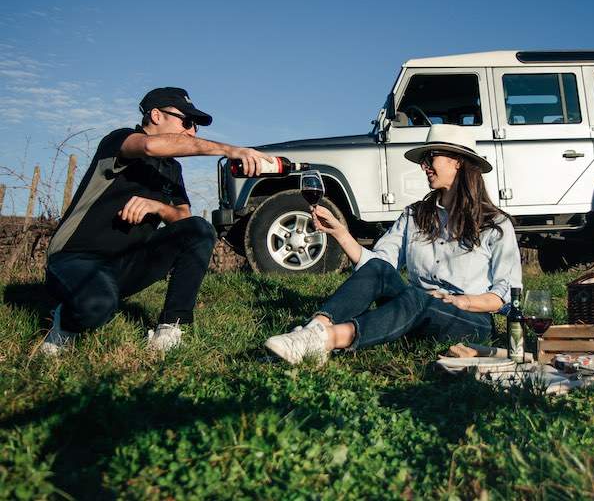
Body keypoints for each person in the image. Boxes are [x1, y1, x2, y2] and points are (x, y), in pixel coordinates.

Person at [40, 87, 274, 355]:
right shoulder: (119, 140)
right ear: (155, 115)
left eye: (196, 125)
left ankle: (171, 327)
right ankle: (65, 319)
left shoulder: (172, 169)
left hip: (126, 264)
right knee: (97, 308)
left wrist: (158, 208)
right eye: (186, 122)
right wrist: (229, 150)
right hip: (75, 258)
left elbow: (184, 219)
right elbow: (150, 146)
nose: (192, 131)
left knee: (200, 228)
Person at [265, 124, 522, 365]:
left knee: (417, 297)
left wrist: (461, 301)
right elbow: (378, 265)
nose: (424, 166)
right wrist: (341, 233)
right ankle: (313, 330)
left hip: (469, 319)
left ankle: (329, 339)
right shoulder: (415, 215)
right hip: (413, 305)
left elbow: (507, 295)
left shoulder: (495, 224)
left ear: (457, 162)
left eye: (430, 157)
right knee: (383, 273)